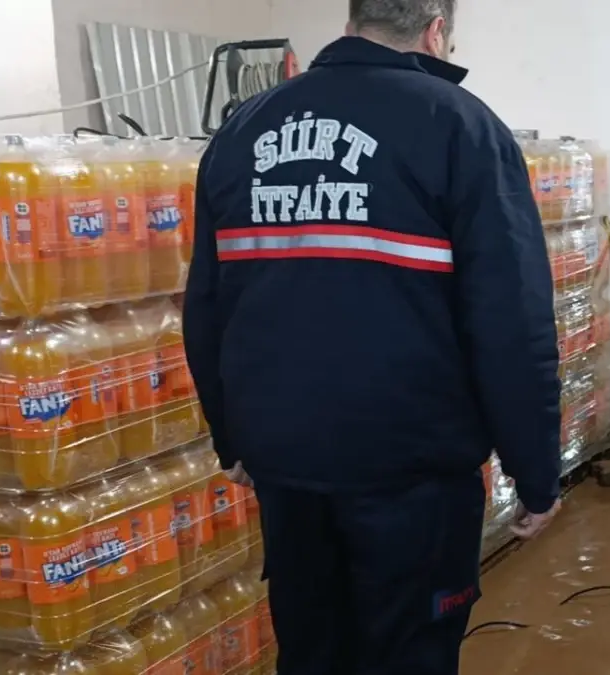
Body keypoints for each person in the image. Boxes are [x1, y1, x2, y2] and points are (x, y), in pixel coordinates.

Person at [182, 2, 564, 672]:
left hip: (288, 466)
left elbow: (208, 307)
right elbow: (510, 322)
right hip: (411, 475)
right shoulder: (459, 128)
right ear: (435, 30)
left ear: (353, 19)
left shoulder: (244, 130)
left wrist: (232, 436)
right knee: (409, 652)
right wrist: (534, 471)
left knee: (311, 649)